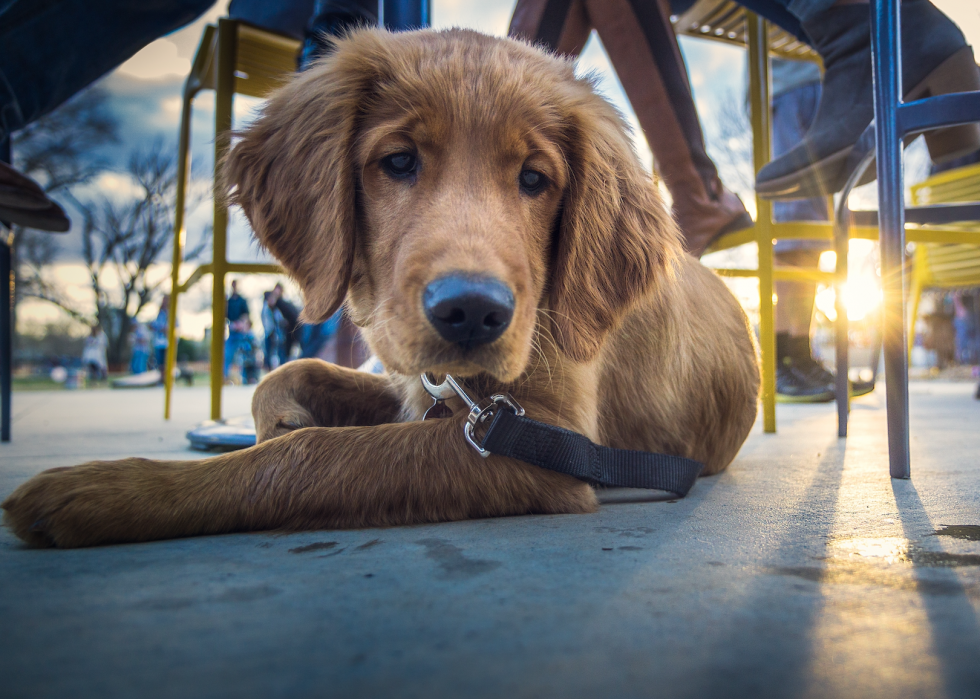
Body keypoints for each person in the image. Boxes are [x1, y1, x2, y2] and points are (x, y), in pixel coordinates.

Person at [224, 280, 257, 381]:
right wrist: (231, 325)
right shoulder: (228, 301)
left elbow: (247, 315)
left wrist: (241, 324)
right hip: (232, 332)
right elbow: (225, 317)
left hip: (242, 334)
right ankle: (224, 377)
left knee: (244, 356)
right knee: (227, 354)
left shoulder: (242, 301)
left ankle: (245, 378)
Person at [149, 294, 172, 374]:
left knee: (168, 362)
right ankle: (161, 379)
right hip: (159, 342)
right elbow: (154, 326)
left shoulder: (171, 313)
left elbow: (176, 327)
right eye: (163, 300)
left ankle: (167, 379)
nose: (164, 302)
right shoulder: (159, 314)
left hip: (168, 342)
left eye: (166, 300)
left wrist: (167, 330)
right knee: (160, 363)